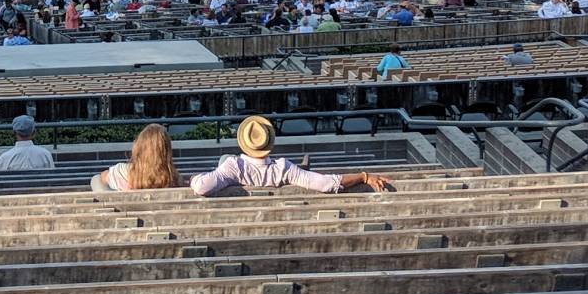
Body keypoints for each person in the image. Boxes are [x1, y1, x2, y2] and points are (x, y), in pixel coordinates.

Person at [188, 116, 393, 197]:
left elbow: (202, 187)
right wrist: (363, 176)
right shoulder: (283, 168)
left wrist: (193, 179)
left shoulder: (233, 166)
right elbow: (326, 184)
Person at [91, 122, 179, 192]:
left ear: (139, 147)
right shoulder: (174, 180)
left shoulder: (120, 172)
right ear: (167, 152)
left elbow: (98, 179)